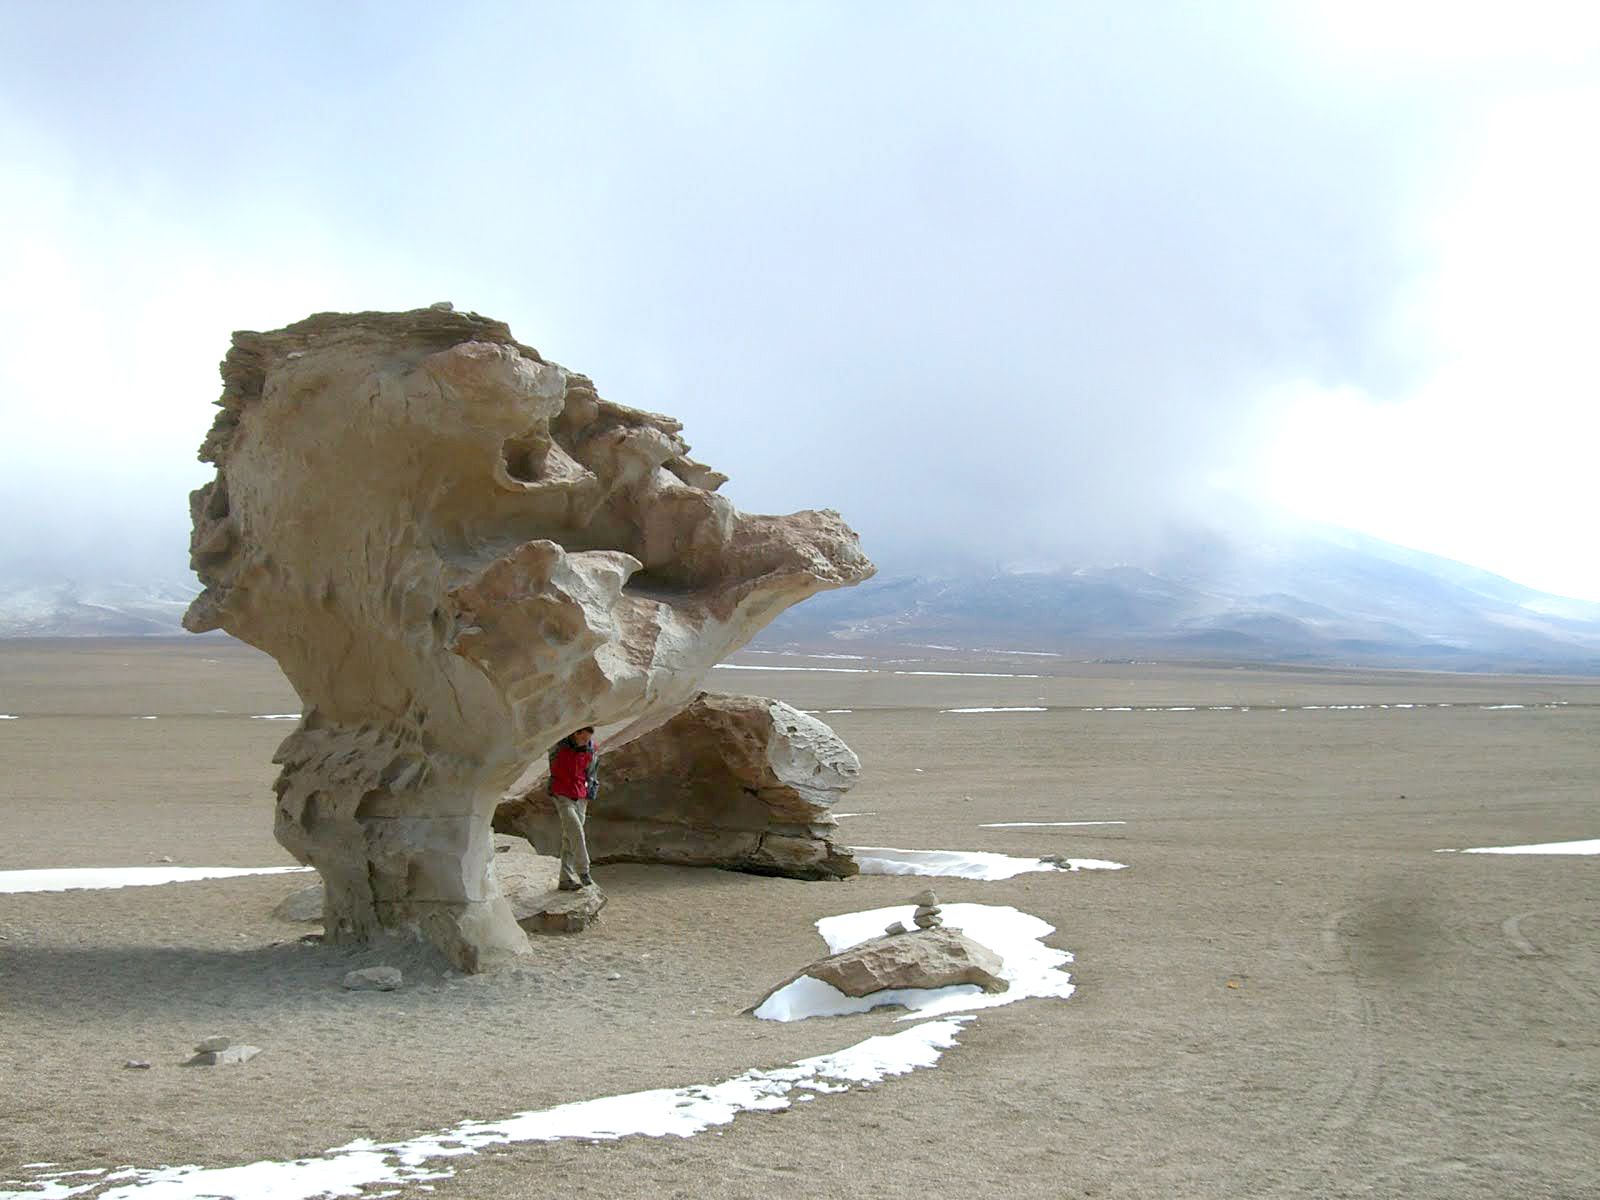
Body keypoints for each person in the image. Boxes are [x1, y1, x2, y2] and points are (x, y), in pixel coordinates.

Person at [547, 726, 598, 891]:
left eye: (588, 739)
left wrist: (589, 794)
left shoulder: (591, 750)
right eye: (583, 738)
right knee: (575, 830)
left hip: (581, 796)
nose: (586, 742)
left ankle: (565, 880)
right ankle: (584, 872)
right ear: (575, 733)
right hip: (562, 794)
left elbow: (591, 775)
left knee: (569, 838)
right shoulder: (558, 746)